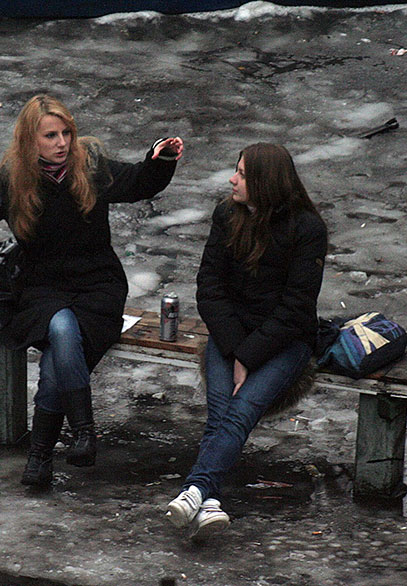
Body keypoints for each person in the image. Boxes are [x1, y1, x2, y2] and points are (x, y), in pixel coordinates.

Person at [0, 94, 183, 486]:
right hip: (42, 287)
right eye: (50, 135)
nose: (62, 143)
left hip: (97, 284)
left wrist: (159, 159)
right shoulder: (14, 178)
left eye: (66, 133)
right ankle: (80, 433)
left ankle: (41, 457)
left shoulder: (90, 165)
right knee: (62, 331)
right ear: (31, 141)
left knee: (59, 349)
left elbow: (137, 182)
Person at [165, 143, 327, 540]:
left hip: (286, 342)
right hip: (229, 335)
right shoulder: (226, 215)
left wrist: (251, 355)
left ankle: (196, 489)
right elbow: (209, 287)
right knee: (221, 417)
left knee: (240, 413)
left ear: (265, 183)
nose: (232, 179)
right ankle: (210, 501)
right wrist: (238, 349)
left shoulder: (308, 229)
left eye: (241, 174)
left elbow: (296, 306)